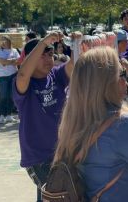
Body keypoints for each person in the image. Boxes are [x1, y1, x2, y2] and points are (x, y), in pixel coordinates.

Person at [53, 48, 128, 201]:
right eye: (120, 75)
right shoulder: (122, 124)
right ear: (104, 84)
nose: (125, 82)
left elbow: (112, 158)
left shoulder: (75, 122)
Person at [13, 31, 79, 191]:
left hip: (62, 151)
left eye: (50, 54)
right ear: (30, 58)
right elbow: (23, 74)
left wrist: (76, 44)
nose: (48, 59)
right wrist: (43, 42)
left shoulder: (56, 75)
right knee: (57, 195)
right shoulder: (23, 84)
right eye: (42, 55)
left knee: (58, 195)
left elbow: (74, 65)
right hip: (39, 157)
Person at [0, 35, 20, 124]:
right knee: (3, 96)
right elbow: (3, 63)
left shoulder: (14, 51)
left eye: (4, 40)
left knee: (11, 96)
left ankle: (9, 115)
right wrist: (12, 61)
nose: (2, 42)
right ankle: (2, 115)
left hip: (13, 75)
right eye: (1, 40)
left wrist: (8, 61)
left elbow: (18, 61)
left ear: (8, 41)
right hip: (3, 76)